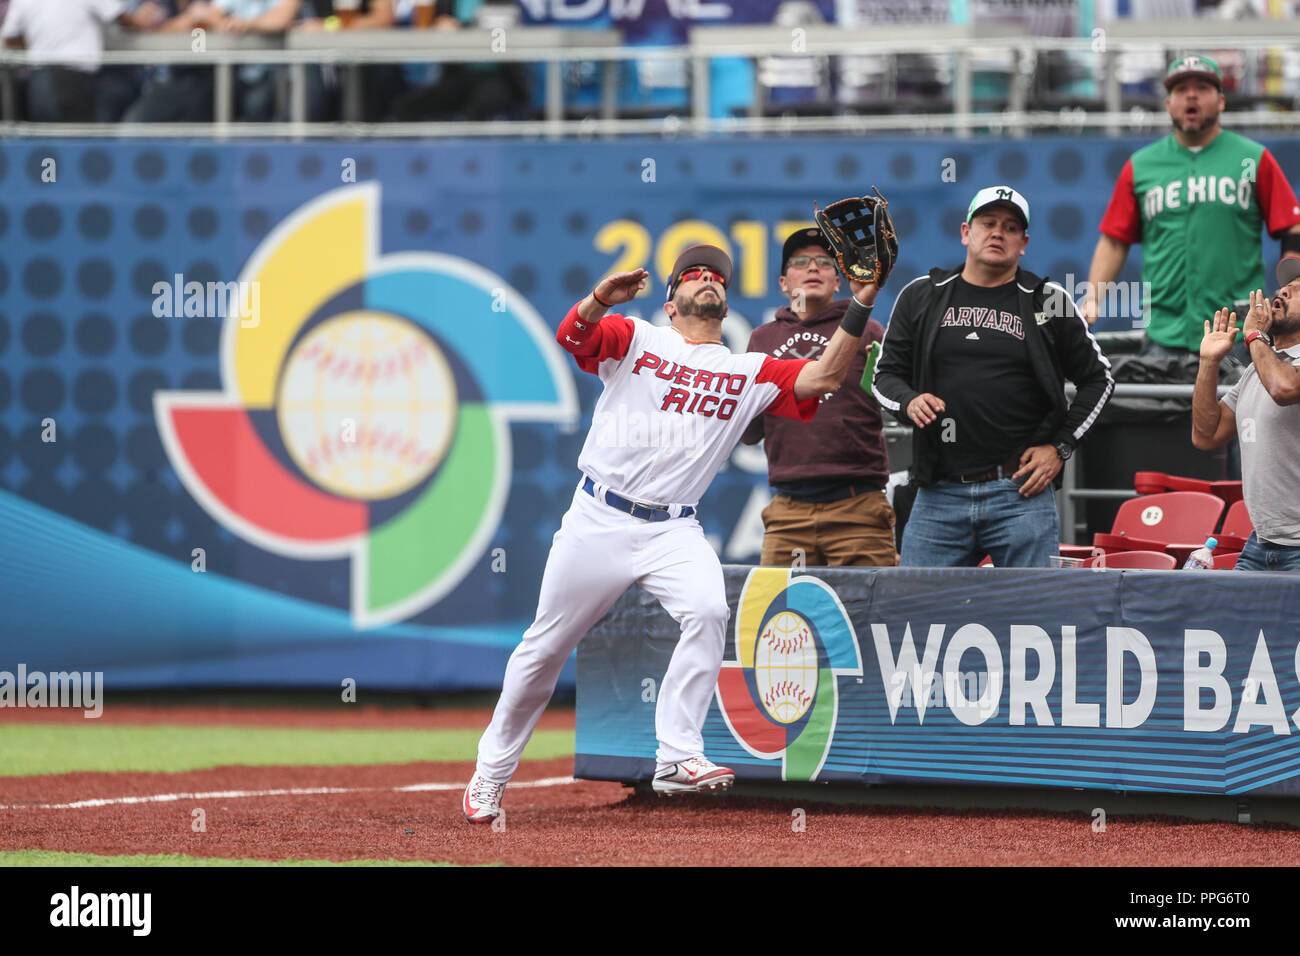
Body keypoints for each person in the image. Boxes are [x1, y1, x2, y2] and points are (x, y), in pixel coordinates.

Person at [463, 243, 885, 823]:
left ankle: (678, 754)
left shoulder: (747, 371)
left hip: (673, 528)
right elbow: (572, 339)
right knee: (545, 649)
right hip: (599, 517)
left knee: (710, 610)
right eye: (694, 274)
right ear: (670, 301)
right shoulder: (638, 338)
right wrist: (595, 302)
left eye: (717, 276)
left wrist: (861, 301)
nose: (708, 280)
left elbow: (826, 374)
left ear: (726, 300)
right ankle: (491, 771)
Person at [872, 185, 1114, 568]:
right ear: (966, 232)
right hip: (938, 494)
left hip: (1020, 493)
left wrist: (1061, 447)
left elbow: (1099, 379)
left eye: (1011, 227)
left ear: (1024, 243)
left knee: (1033, 621)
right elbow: (884, 375)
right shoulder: (922, 294)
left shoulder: (1048, 299)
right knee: (914, 617)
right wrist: (908, 401)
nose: (998, 232)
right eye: (988, 223)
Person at [1085, 54, 1300, 353]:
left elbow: (1293, 227)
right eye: (1180, 89)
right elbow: (1115, 240)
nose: (1191, 95)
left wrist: (1292, 289)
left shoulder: (1252, 159)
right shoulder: (1141, 165)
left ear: (1221, 101)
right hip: (1164, 331)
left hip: (1236, 334)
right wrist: (1094, 297)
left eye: (1202, 87)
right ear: (1168, 103)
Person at [740, 227, 896, 567]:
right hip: (788, 512)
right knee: (778, 613)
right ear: (783, 283)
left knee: (867, 617)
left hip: (859, 507)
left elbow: (892, 409)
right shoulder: (762, 339)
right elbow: (749, 433)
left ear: (838, 282)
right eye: (801, 261)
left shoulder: (867, 330)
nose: (813, 268)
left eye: (825, 263)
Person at [1192, 260, 1300, 571]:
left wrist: (1253, 335)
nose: (1282, 291)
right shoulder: (1257, 370)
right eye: (1282, 288)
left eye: (1296, 290)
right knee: (1232, 619)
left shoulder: (1270, 364)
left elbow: (1283, 389)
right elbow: (1206, 435)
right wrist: (1209, 362)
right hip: (1260, 543)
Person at [1, 0, 163, 121]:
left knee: (48, 150)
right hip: (70, 81)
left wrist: (38, 43)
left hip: (39, 81)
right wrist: (145, 23)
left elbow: (10, 38)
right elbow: (122, 19)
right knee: (71, 149)